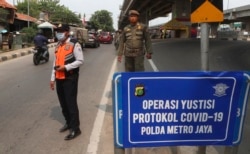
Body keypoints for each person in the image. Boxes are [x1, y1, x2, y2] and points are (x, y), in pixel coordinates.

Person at [50, 24, 84, 140]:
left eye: (61, 31)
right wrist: (52, 78)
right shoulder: (58, 45)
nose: (59, 33)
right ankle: (68, 122)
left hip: (70, 78)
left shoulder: (74, 44)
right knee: (63, 103)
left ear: (67, 32)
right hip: (59, 77)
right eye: (57, 31)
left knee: (71, 103)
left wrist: (66, 67)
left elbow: (80, 61)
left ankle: (76, 128)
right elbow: (55, 62)